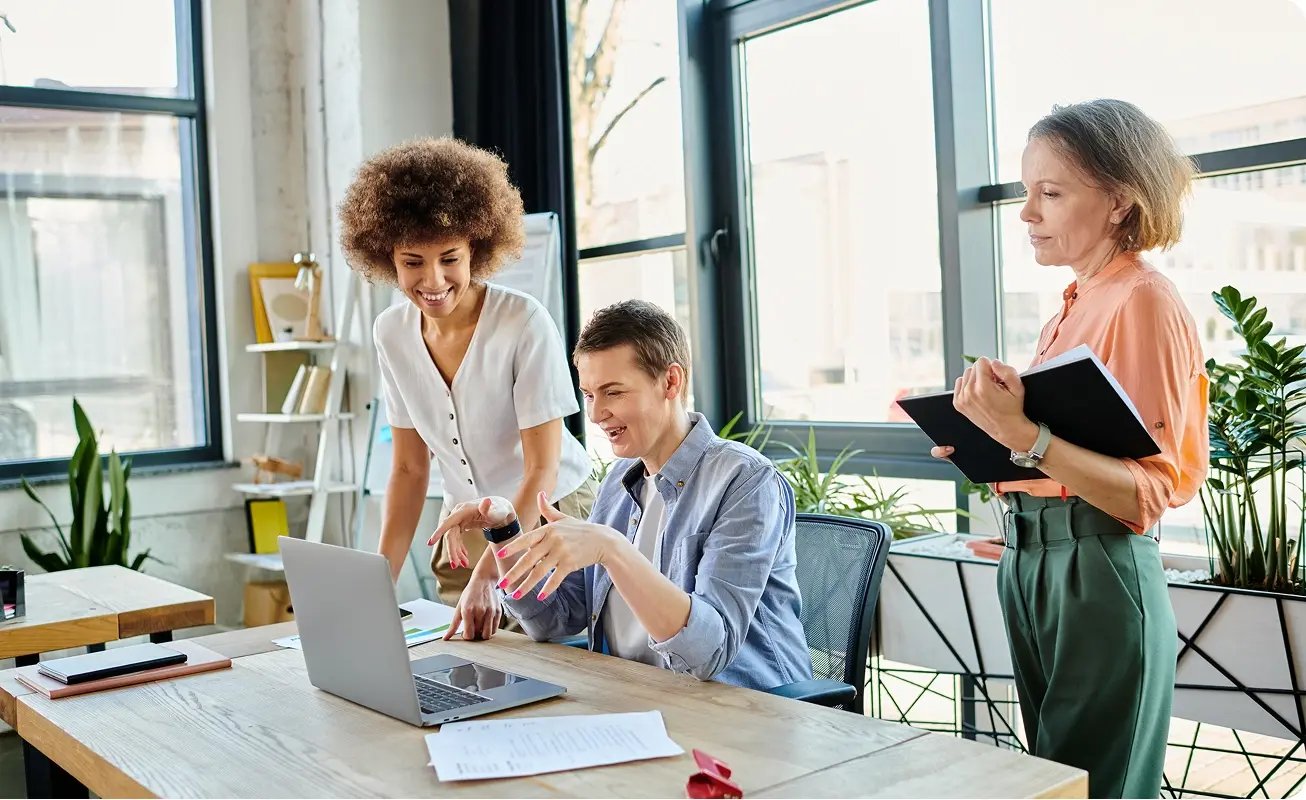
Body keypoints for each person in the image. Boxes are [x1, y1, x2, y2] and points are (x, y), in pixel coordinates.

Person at [933, 99, 1207, 798]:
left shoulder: (1141, 299)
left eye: (1050, 194)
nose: (1027, 213)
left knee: (1090, 787)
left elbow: (1144, 494)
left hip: (1095, 570)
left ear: (1119, 200)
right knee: (1057, 779)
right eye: (1027, 192)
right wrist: (993, 449)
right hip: (1038, 559)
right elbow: (1067, 460)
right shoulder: (1074, 304)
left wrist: (1024, 437)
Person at [430, 300, 812, 690]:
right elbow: (557, 619)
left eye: (613, 392)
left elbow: (709, 651)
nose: (596, 415)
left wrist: (612, 550)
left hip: (743, 711)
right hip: (634, 696)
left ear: (670, 382)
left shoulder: (746, 482)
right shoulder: (619, 481)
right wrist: (505, 531)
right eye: (590, 395)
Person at [338, 137, 594, 639]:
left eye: (449, 258)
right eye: (412, 262)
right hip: (467, 523)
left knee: (545, 664)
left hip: (547, 509)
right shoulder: (391, 333)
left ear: (476, 246)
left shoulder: (523, 321)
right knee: (469, 664)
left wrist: (492, 569)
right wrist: (377, 585)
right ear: (385, 256)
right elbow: (410, 469)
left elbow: (540, 467)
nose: (432, 280)